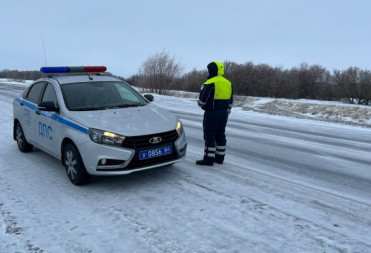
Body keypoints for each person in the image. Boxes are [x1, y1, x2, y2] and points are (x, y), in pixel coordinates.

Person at [196, 61, 233, 166]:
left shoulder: (210, 83)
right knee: (220, 134)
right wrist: (226, 112)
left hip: (211, 114)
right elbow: (231, 101)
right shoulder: (228, 83)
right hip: (224, 114)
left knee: (209, 135)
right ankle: (220, 158)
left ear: (211, 70)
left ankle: (208, 159)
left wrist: (201, 105)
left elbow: (202, 101)